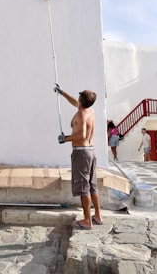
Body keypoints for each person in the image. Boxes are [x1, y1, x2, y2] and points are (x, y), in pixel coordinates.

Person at [54, 84, 103, 230]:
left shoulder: (81, 114)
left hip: (81, 153)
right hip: (91, 152)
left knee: (84, 188)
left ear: (82, 100)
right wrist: (62, 92)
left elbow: (81, 135)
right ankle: (98, 216)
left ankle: (87, 221)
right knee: (92, 186)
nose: (77, 99)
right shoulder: (89, 111)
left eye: (79, 96)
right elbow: (74, 102)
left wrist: (65, 138)